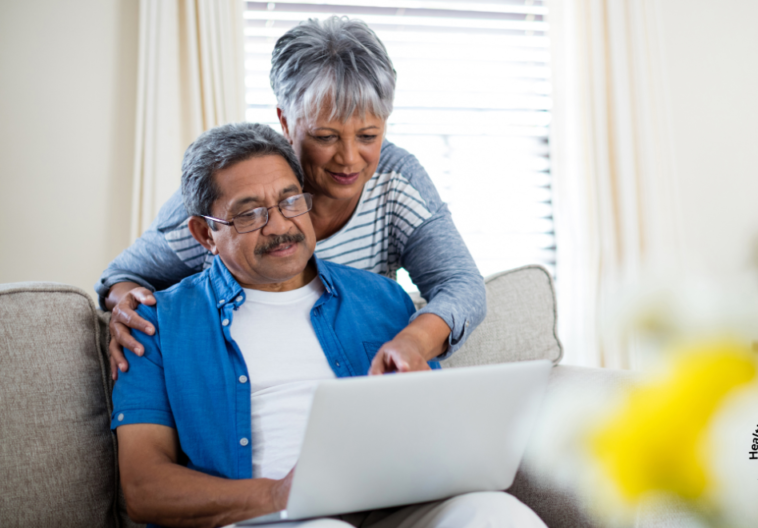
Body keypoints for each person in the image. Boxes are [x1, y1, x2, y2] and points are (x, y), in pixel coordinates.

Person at [112, 122, 562, 528]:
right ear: (205, 234)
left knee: (505, 523)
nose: (281, 226)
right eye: (250, 214)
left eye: (290, 201)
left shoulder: (383, 300)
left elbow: (434, 427)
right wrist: (277, 495)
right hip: (255, 522)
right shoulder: (154, 324)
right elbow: (143, 486)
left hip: (389, 507)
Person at [98, 16, 484, 379]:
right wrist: (131, 309)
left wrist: (412, 341)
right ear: (285, 121)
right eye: (325, 136)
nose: (349, 159)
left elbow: (461, 284)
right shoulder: (230, 196)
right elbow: (122, 277)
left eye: (368, 136)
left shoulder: (396, 180)